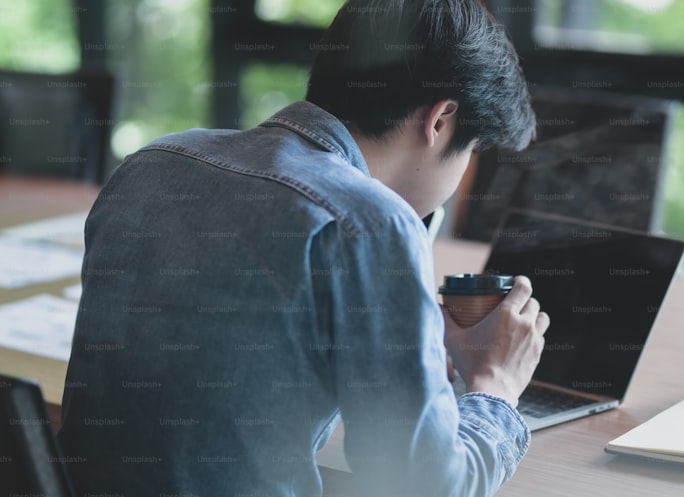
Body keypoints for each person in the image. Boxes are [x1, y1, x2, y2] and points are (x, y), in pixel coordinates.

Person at [57, 0, 549, 495]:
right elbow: (426, 484)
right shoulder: (371, 224)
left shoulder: (151, 163)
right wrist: (496, 386)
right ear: (441, 120)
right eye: (471, 151)